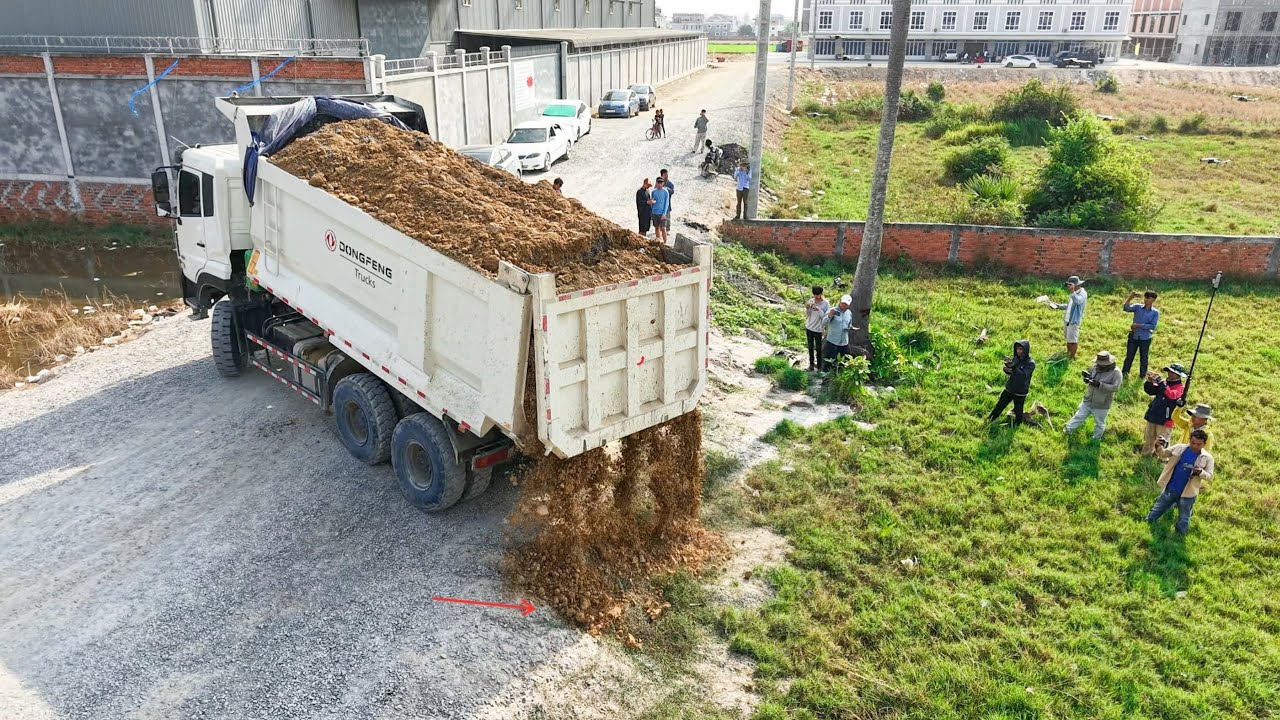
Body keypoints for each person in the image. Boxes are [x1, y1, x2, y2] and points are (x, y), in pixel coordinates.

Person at [1145, 429, 1214, 535]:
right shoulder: (1179, 447)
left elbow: (1209, 476)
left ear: (1204, 444)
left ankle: (1180, 536)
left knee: (1184, 517)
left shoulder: (1208, 458)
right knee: (1158, 507)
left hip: (1189, 492)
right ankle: (1147, 523)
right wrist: (1159, 446)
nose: (1195, 446)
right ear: (1189, 440)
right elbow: (1163, 454)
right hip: (1172, 487)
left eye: (1198, 444)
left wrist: (1200, 472)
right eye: (1193, 443)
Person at [1063, 350, 1122, 440]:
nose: (1099, 364)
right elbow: (1090, 373)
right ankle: (1067, 430)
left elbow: (1115, 387)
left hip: (1102, 403)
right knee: (1078, 416)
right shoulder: (1095, 367)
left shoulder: (1116, 372)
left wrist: (1099, 384)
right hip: (1088, 399)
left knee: (1099, 423)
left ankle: (1096, 439)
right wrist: (1086, 377)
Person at [986, 340, 1035, 426]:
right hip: (1010, 388)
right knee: (1000, 405)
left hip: (1020, 391)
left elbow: (1023, 375)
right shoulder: (1016, 358)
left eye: (1021, 349)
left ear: (1026, 350)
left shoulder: (1030, 363)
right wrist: (1007, 368)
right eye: (1017, 349)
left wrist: (1014, 368)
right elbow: (1013, 371)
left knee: (1018, 410)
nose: (1019, 351)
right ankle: (990, 419)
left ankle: (1017, 425)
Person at [1141, 363, 1186, 455]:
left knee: (1162, 442)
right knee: (1149, 438)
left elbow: (1172, 395)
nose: (1169, 374)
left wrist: (1161, 383)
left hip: (1166, 419)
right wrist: (1150, 382)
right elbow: (1150, 391)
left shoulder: (1180, 388)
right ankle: (1146, 455)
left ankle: (1163, 459)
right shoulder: (1164, 383)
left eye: (1172, 372)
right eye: (1169, 371)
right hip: (1153, 414)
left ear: (1178, 375)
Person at [1122, 290, 1161, 378]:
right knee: (1129, 356)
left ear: (1153, 300)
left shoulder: (1155, 312)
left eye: (1148, 298)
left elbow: (1152, 326)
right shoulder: (1137, 307)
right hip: (1134, 336)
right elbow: (1126, 308)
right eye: (1145, 297)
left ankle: (1142, 375)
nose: (1146, 300)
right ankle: (1125, 372)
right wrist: (1130, 298)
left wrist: (1139, 325)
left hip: (1145, 338)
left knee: (1144, 357)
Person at [1048, 275, 1088, 360]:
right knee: (1068, 339)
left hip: (1074, 320)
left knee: (1073, 341)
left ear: (1076, 285)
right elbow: (1069, 305)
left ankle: (1072, 357)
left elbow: (1078, 301)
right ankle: (1068, 354)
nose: (1069, 287)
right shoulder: (1074, 294)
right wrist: (1057, 306)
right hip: (1067, 320)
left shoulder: (1082, 293)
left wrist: (1073, 291)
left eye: (1071, 285)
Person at [821, 295, 857, 371]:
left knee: (842, 362)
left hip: (844, 342)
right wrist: (830, 316)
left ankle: (837, 378)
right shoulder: (832, 310)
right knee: (828, 361)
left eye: (846, 304)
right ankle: (824, 378)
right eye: (843, 303)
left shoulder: (849, 313)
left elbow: (849, 324)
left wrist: (851, 327)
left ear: (849, 305)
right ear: (840, 301)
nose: (844, 305)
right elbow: (824, 323)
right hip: (832, 341)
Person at [803, 286, 830, 371]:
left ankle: (819, 366)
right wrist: (808, 308)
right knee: (810, 347)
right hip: (809, 327)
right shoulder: (811, 301)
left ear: (821, 294)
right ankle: (811, 365)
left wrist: (818, 309)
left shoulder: (826, 304)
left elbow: (825, 317)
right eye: (814, 295)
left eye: (817, 295)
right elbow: (808, 314)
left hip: (818, 329)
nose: (816, 297)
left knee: (818, 348)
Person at [650, 176, 671, 245]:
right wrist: (651, 212)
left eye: (661, 183)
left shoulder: (666, 192)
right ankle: (658, 241)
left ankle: (665, 243)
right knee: (656, 227)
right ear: (656, 183)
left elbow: (666, 203)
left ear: (663, 183)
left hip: (662, 213)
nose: (659, 184)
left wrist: (664, 214)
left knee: (663, 228)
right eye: (658, 182)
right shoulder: (653, 191)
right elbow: (652, 202)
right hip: (654, 212)